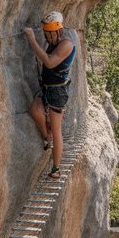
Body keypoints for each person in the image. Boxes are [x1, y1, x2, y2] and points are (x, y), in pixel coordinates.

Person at [24, 11, 76, 178]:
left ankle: (56, 168)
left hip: (58, 92)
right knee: (35, 110)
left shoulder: (66, 44)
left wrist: (32, 40)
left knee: (56, 128)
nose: (47, 38)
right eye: (45, 34)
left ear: (57, 31)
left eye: (48, 34)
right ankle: (48, 138)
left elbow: (49, 61)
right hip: (49, 88)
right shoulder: (55, 42)